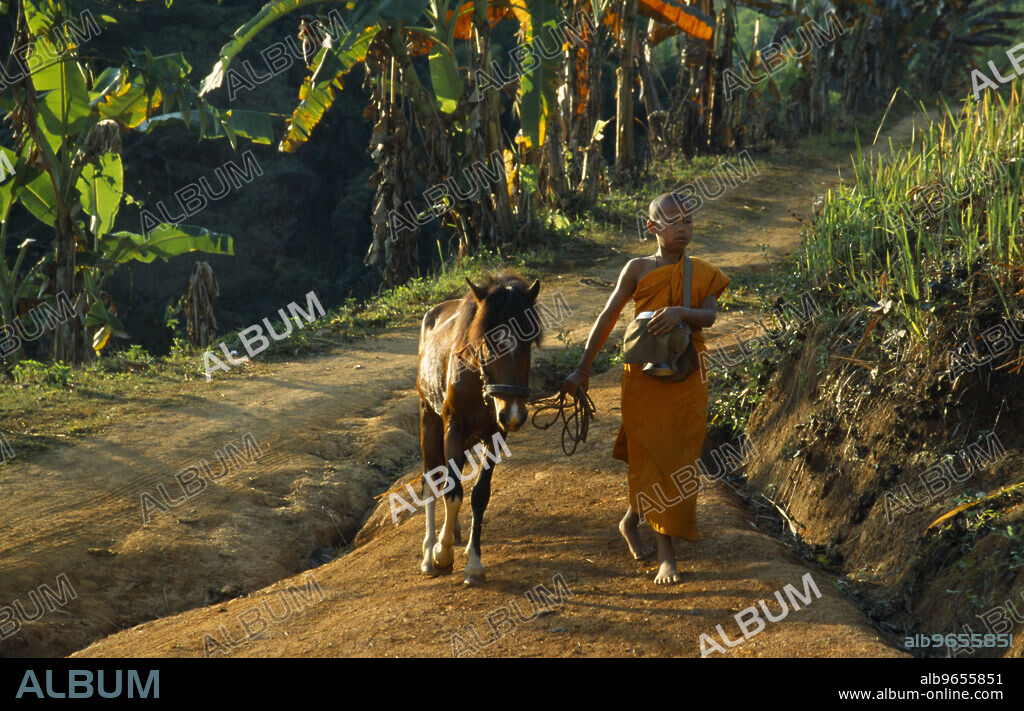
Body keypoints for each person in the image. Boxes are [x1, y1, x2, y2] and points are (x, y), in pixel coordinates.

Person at [562, 191, 730, 584]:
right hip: (643, 380)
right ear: (653, 227)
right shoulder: (637, 269)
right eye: (673, 223)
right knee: (652, 455)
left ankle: (630, 521)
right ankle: (666, 553)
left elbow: (709, 316)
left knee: (679, 457)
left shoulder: (704, 271)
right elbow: (608, 316)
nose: (683, 230)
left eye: (688, 222)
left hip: (688, 376)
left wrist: (681, 313)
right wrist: (583, 368)